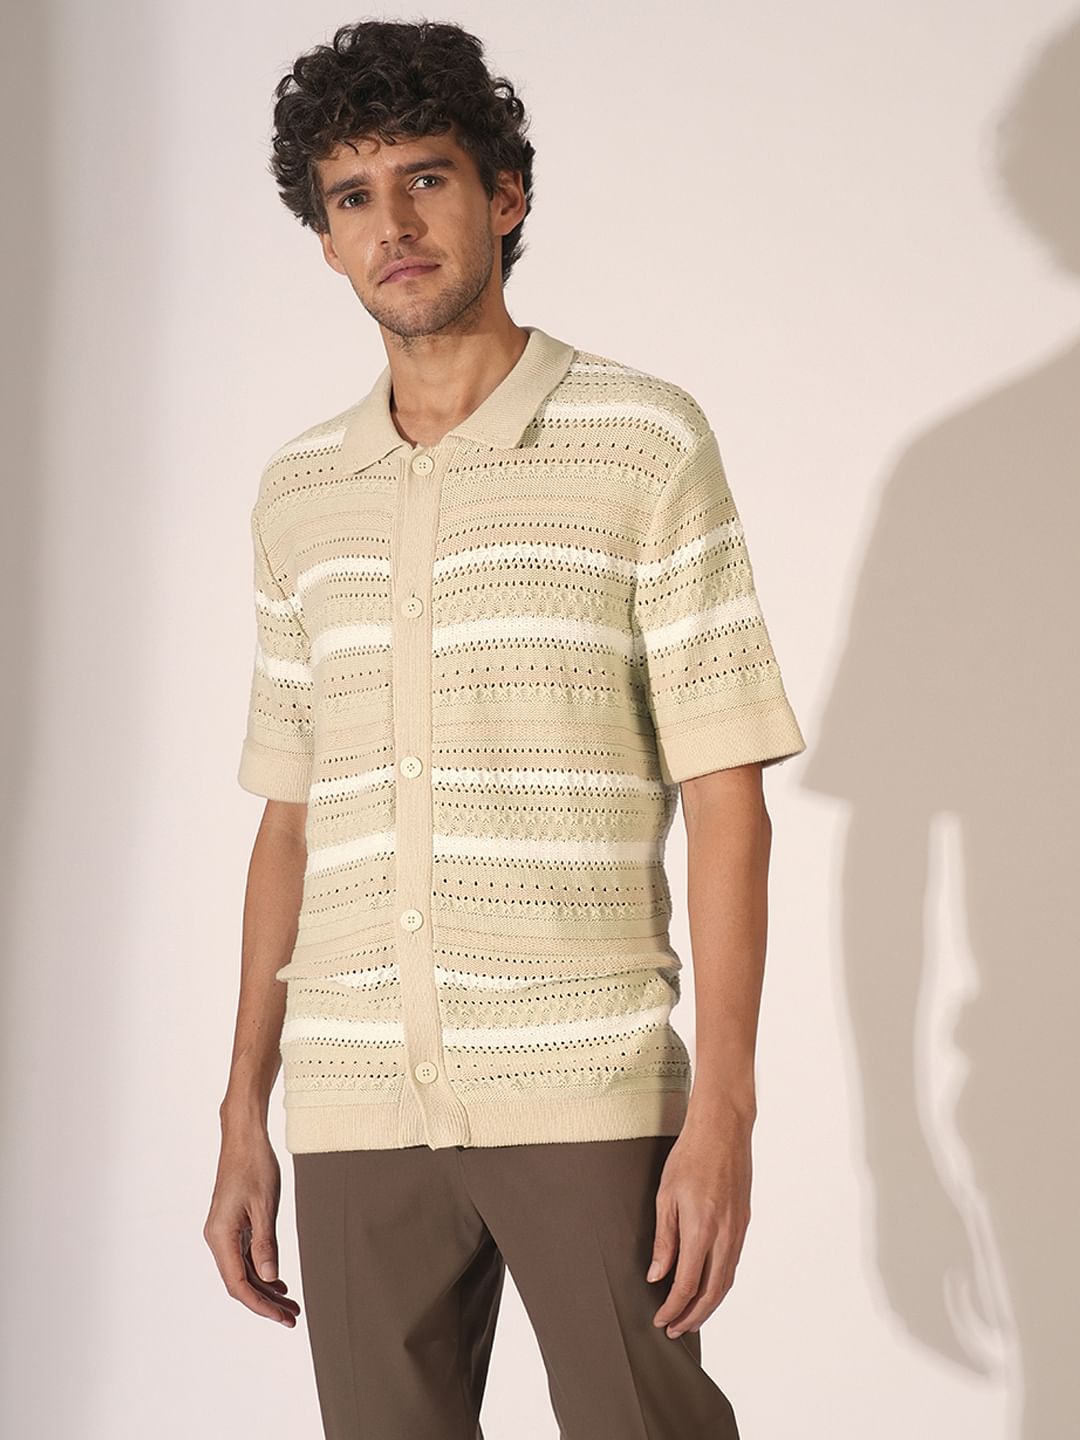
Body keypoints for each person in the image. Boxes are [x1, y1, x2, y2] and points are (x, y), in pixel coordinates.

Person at [203, 18, 807, 1440]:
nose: (394, 226)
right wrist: (244, 1110)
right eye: (354, 196)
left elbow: (726, 794)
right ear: (326, 237)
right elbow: (289, 819)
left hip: (586, 1082)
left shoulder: (642, 441)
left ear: (505, 195)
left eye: (427, 179)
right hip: (352, 1096)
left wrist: (723, 1112)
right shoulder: (299, 493)